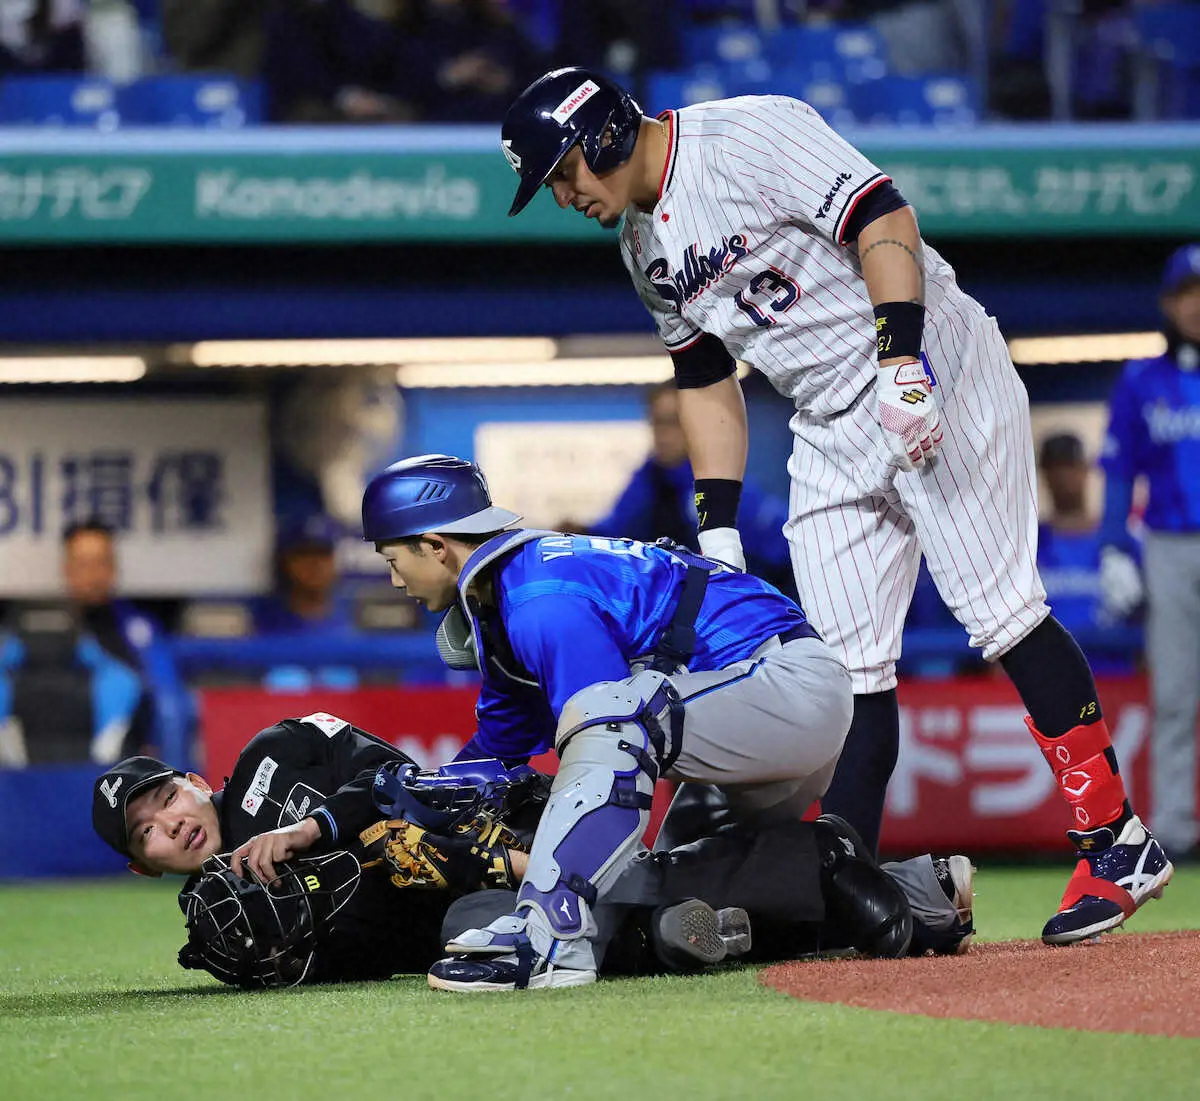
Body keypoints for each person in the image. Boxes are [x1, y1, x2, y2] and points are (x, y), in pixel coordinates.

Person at [498, 67, 1173, 946]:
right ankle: (839, 880)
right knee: (844, 672)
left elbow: (882, 216)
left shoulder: (744, 134)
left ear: (604, 136)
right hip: (824, 417)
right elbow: (704, 378)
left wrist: (903, 359)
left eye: (561, 172)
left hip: (929, 364)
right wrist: (718, 526)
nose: (562, 195)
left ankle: (1116, 840)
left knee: (999, 610)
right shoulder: (640, 245)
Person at [356, 453, 972, 993]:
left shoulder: (539, 599)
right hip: (736, 716)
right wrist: (380, 813)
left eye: (393, 558)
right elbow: (492, 759)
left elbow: (603, 725)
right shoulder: (515, 593)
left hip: (783, 687)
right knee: (658, 891)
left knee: (614, 721)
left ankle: (547, 942)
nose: (393, 578)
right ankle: (918, 896)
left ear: (436, 546)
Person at [91, 708, 972, 988]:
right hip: (472, 917)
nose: (170, 822)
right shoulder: (229, 924)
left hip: (493, 826)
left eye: (164, 797)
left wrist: (317, 829)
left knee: (562, 900)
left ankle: (814, 859)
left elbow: (397, 777)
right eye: (148, 833)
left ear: (190, 778)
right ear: (145, 864)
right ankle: (902, 888)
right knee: (542, 941)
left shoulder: (273, 754)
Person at [1098, 243, 1200, 860]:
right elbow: (1117, 470)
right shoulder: (1142, 379)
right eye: (1188, 294)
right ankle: (1181, 831)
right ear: (1169, 303)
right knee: (1177, 696)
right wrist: (1114, 547)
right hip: (1166, 544)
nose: (1197, 306)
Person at [586, 380, 795, 595]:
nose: (663, 434)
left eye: (673, 422)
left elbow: (788, 548)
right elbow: (612, 536)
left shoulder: (723, 486)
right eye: (657, 422)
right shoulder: (648, 481)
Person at [252, 513, 355, 634]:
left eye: (323, 553)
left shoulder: (356, 618)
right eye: (304, 553)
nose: (315, 564)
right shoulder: (259, 620)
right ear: (285, 562)